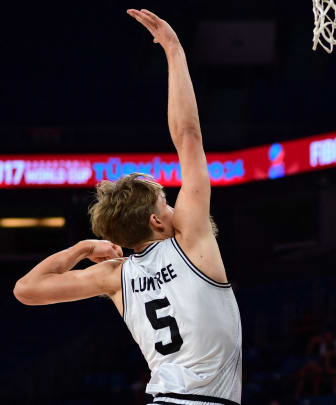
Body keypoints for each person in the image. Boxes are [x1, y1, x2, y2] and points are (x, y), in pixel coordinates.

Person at [13, 10, 242, 405]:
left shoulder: (113, 276)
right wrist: (173, 49)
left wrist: (82, 249)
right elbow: (188, 136)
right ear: (156, 220)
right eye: (166, 202)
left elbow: (25, 290)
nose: (174, 206)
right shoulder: (189, 239)